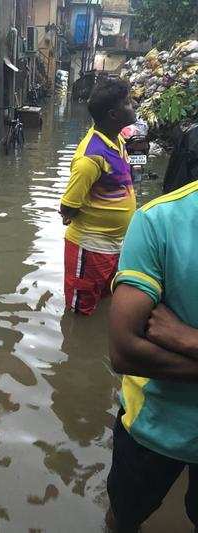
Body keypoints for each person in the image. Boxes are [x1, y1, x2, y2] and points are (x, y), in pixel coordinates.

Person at [108, 178, 198, 532]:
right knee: (124, 516)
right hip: (154, 424)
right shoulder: (160, 220)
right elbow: (124, 350)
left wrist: (189, 340)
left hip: (155, 422)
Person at [59, 78, 136, 316]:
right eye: (127, 102)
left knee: (105, 299)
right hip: (91, 247)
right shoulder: (90, 158)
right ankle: (76, 349)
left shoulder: (117, 139)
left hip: (114, 244)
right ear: (113, 115)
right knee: (80, 312)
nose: (133, 104)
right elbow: (68, 206)